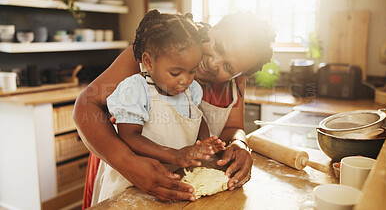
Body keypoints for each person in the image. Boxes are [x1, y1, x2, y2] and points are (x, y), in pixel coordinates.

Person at [73, 10, 275, 208]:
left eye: (228, 68)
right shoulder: (161, 46)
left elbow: (232, 128)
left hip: (179, 185)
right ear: (214, 28)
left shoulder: (235, 77)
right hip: (121, 163)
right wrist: (127, 163)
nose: (213, 63)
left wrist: (239, 144)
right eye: (218, 46)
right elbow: (85, 106)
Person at [91, 10, 226, 204]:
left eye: (192, 71)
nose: (185, 80)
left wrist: (204, 143)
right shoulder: (135, 89)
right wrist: (175, 155)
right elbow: (129, 136)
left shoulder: (191, 90)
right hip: (130, 184)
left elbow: (196, 117)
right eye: (175, 72)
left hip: (169, 180)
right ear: (148, 62)